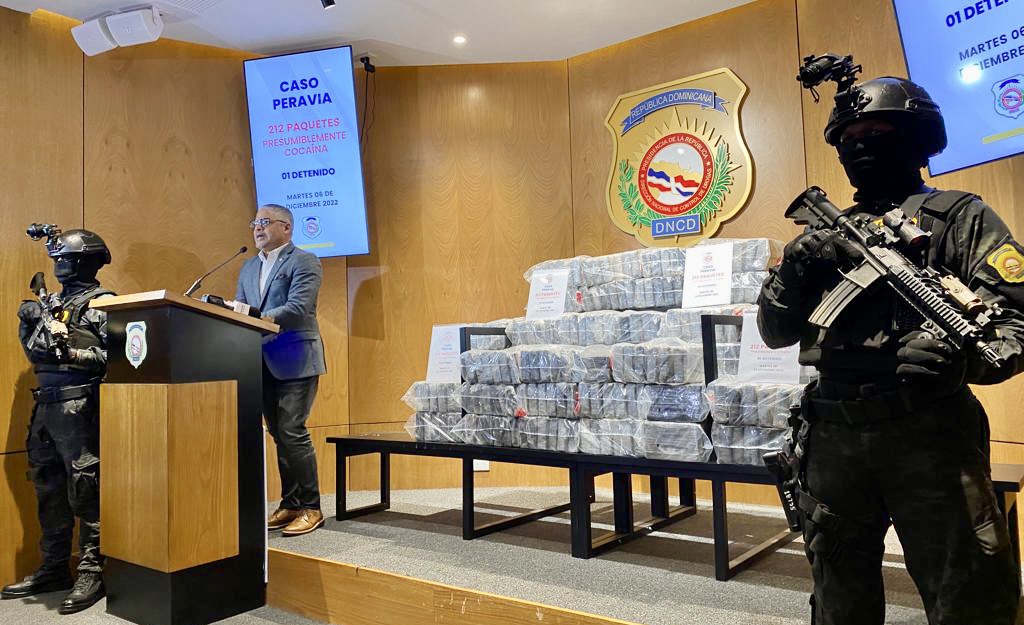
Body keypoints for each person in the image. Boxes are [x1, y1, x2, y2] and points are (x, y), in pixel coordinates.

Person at [758, 75, 1024, 625]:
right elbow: (774, 332)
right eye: (848, 137)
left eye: (877, 132)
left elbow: (1015, 323)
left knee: (969, 594)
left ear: (918, 137)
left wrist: (961, 359)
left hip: (928, 434)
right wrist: (794, 271)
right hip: (832, 437)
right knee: (839, 597)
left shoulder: (960, 218)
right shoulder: (822, 235)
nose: (860, 146)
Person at [2, 228, 115, 614]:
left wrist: (74, 353)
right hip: (46, 407)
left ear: (87, 261)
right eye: (56, 259)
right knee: (48, 487)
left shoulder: (103, 303)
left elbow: (116, 358)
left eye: (66, 258)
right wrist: (28, 325)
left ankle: (92, 570)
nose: (59, 265)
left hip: (80, 406)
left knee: (86, 487)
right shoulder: (53, 302)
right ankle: (54, 567)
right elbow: (40, 355)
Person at [235, 204, 326, 536]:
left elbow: (299, 307)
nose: (257, 228)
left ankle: (312, 507)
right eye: (255, 222)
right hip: (259, 359)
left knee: (292, 431)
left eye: (265, 222)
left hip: (296, 358)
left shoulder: (304, 260)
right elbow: (241, 307)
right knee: (278, 434)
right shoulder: (248, 266)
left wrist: (258, 317)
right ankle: (291, 503)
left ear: (286, 227)